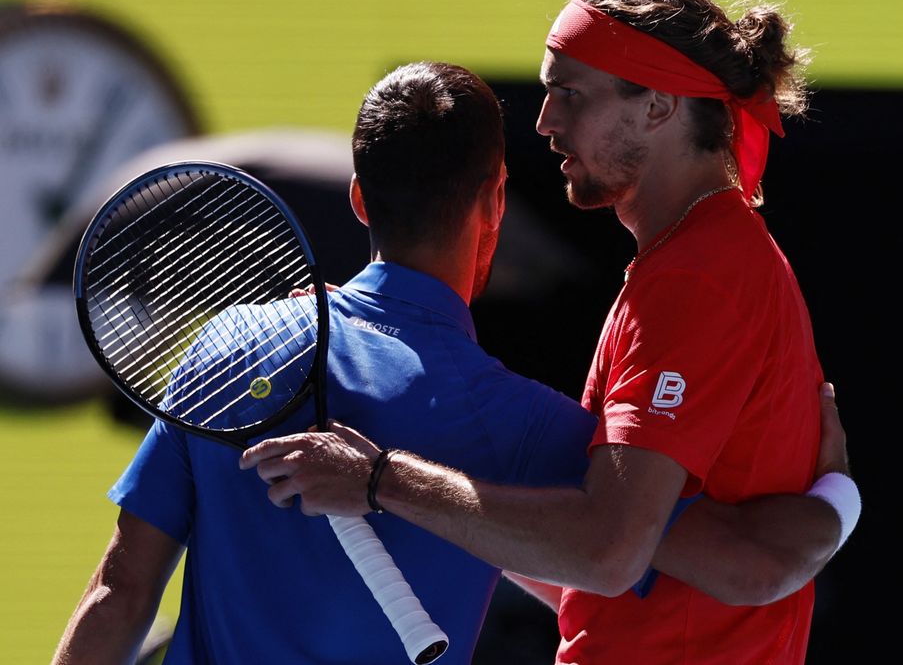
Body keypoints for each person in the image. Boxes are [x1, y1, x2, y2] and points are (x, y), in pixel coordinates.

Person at [55, 60, 848, 665]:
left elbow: (120, 593)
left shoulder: (228, 348)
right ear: (495, 202)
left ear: (361, 200)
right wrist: (838, 496)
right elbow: (751, 567)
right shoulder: (526, 428)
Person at [240, 0, 860, 665]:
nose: (544, 123)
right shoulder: (698, 260)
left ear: (657, 106)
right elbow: (607, 582)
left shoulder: (698, 276)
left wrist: (382, 478)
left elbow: (609, 551)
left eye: (569, 94)